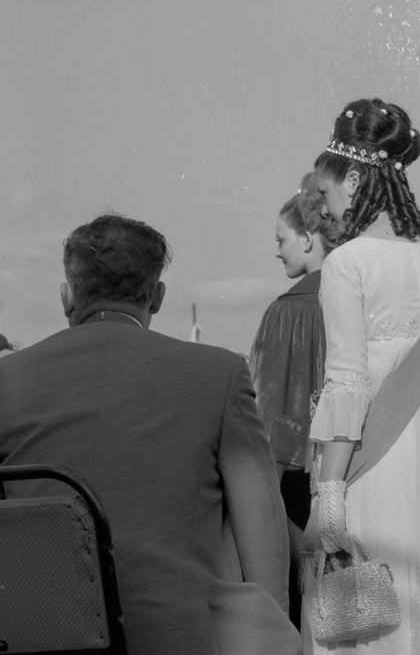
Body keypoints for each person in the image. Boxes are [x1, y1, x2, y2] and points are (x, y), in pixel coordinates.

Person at [0, 214, 298, 655]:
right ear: (157, 297)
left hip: (41, 636)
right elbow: (263, 535)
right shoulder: (219, 374)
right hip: (180, 637)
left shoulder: (7, 379)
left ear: (67, 296)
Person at [301, 98, 420, 653]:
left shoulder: (346, 263)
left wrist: (329, 493)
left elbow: (348, 380)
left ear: (354, 179)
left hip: (370, 467)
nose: (325, 211)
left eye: (327, 195)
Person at [249, 173, 336, 627]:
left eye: (282, 239)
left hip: (294, 477)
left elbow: (261, 409)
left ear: (306, 238)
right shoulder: (353, 299)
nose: (277, 250)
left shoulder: (286, 311)